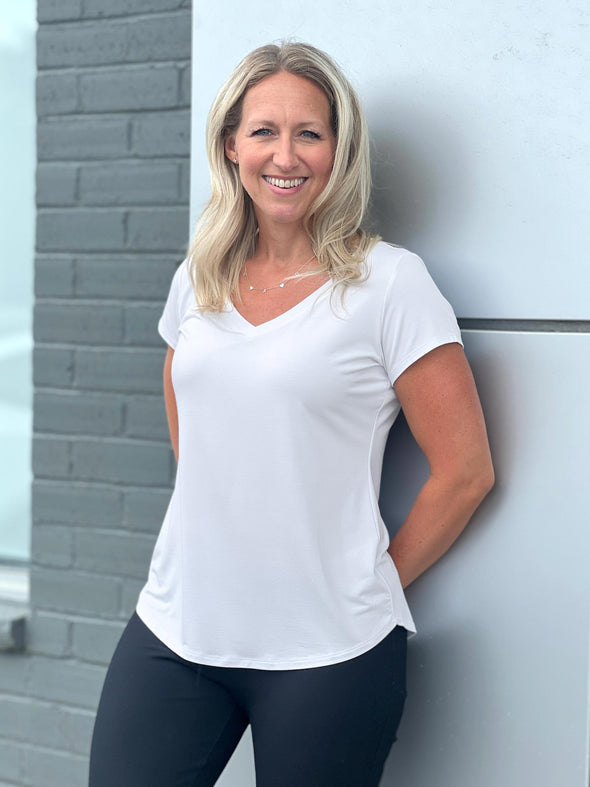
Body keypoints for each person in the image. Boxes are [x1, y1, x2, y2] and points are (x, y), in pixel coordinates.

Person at [89, 41, 494, 787]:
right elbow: (192, 433)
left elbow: (466, 471)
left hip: (328, 653)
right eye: (264, 131)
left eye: (310, 132)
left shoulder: (391, 284)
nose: (287, 154)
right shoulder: (198, 275)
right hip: (177, 629)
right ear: (231, 146)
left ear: (340, 150)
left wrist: (370, 581)